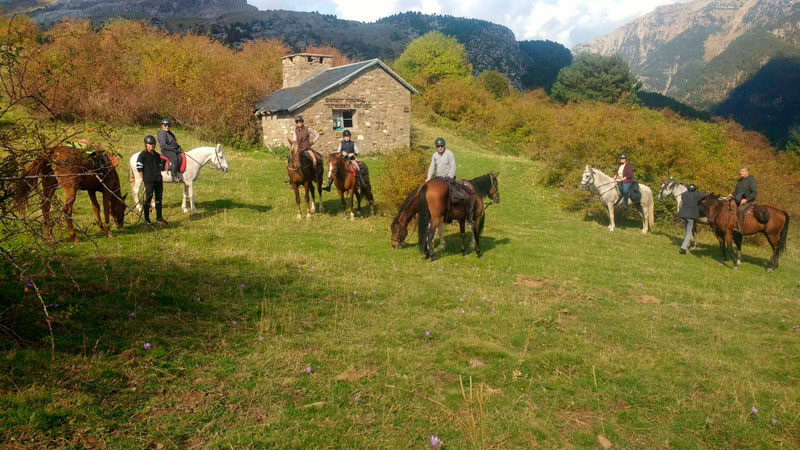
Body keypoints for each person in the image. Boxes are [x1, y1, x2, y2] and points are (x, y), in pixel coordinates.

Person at [135, 135, 167, 225]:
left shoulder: (157, 155)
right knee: (148, 199)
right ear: (146, 144)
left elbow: (160, 167)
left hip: (158, 180)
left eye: (153, 143)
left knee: (159, 199)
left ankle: (159, 218)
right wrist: (143, 179)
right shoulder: (142, 155)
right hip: (149, 181)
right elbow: (139, 168)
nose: (152, 145)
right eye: (150, 144)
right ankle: (147, 219)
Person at [677, 184, 705, 254]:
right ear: (695, 190)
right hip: (691, 217)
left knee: (686, 232)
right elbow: (703, 195)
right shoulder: (696, 195)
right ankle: (683, 248)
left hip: (683, 215)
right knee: (689, 233)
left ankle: (686, 246)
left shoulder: (683, 194)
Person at [732, 166, 757, 232]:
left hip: (749, 201)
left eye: (742, 171)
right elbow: (736, 192)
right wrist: (731, 194)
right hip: (738, 199)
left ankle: (739, 228)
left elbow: (754, 193)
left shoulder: (751, 180)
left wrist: (746, 200)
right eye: (740, 171)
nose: (740, 172)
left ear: (747, 172)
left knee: (740, 209)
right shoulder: (739, 181)